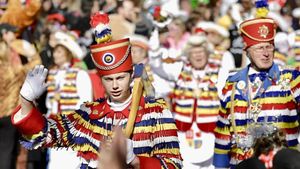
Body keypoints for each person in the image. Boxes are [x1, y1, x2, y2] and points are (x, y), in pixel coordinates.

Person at [10, 12, 182, 169]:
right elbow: (48, 133)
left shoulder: (156, 113)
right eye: (108, 79)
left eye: (120, 78)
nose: (114, 85)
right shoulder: (89, 114)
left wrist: (136, 160)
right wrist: (26, 100)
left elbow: (174, 164)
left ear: (131, 76)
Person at [213, 12, 300, 169]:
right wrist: (219, 165)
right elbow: (223, 128)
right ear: (247, 51)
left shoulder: (291, 77)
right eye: (260, 48)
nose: (266, 53)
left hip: (282, 164)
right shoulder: (232, 82)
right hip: (241, 164)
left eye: (269, 47)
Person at [45, 31, 93, 169]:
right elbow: (50, 103)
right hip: (55, 126)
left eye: (59, 52)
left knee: (72, 161)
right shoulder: (52, 74)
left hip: (73, 126)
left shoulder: (80, 74)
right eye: (55, 52)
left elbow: (86, 103)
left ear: (67, 53)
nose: (55, 55)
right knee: (54, 161)